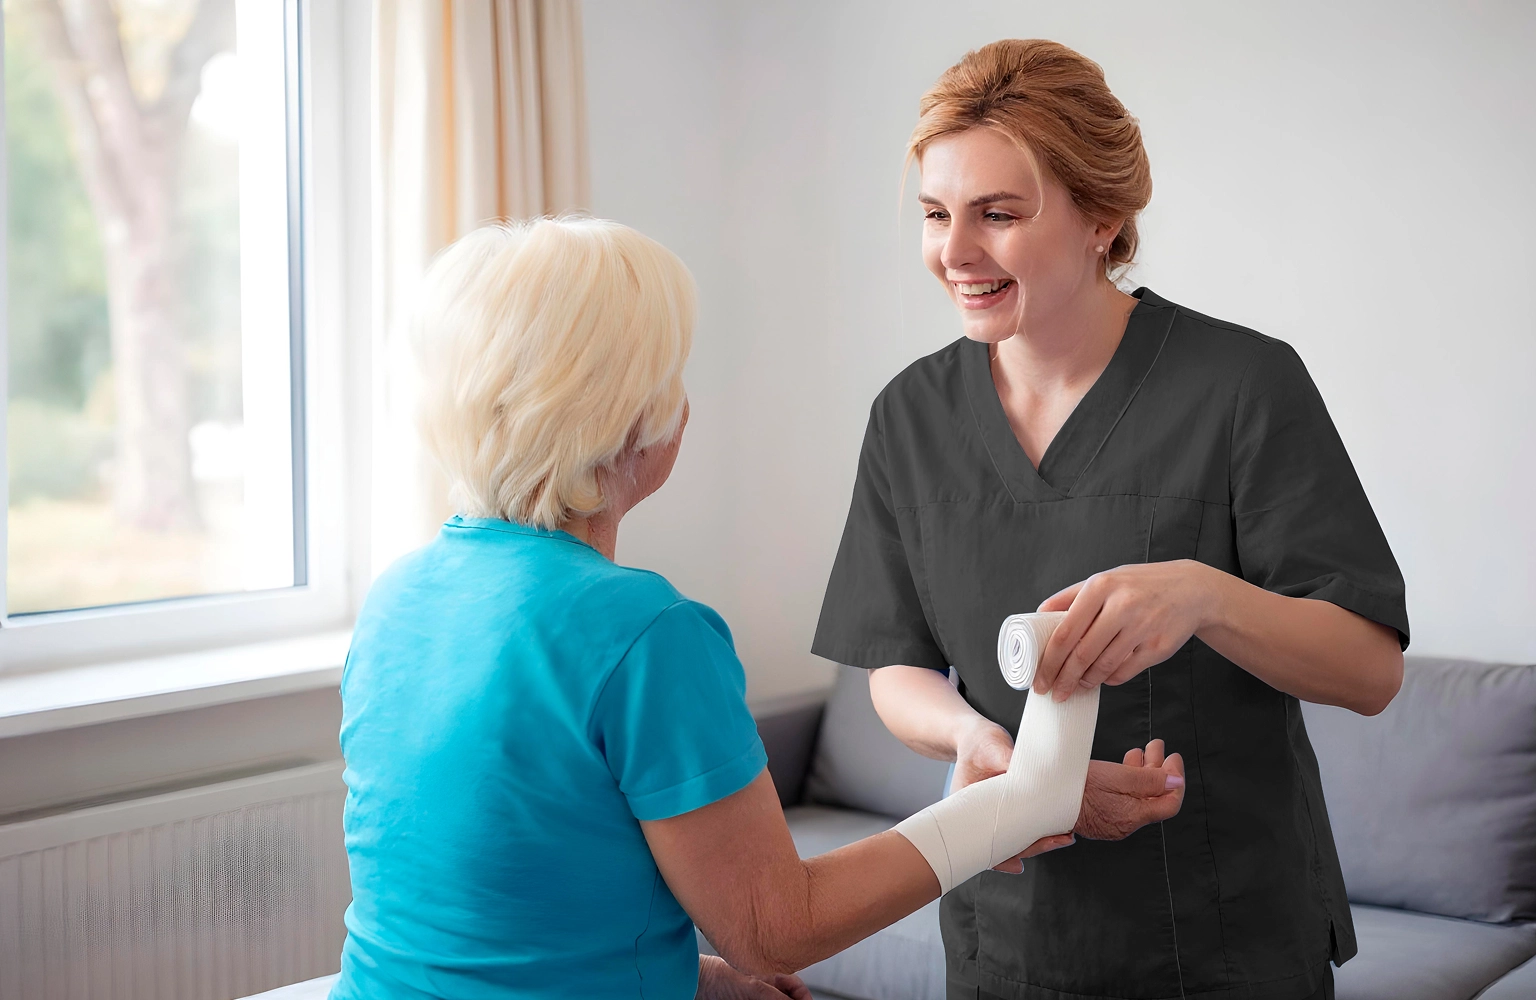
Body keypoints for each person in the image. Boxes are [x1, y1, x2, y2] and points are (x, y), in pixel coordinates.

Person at [330, 217, 1187, 1000]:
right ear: (625, 413)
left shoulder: (397, 599)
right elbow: (776, 930)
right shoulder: (644, 633)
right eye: (669, 376)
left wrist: (688, 978)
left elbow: (500, 899)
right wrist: (1027, 802)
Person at [812, 39, 1409, 1000]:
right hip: (1005, 928)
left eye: (998, 215)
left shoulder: (1242, 386)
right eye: (935, 215)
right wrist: (977, 745)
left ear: (1103, 218)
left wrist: (1203, 596)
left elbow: (1371, 671)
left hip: (1227, 938)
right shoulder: (909, 416)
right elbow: (896, 666)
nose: (955, 253)